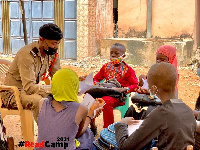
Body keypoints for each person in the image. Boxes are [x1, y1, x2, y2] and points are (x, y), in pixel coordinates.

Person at [114, 62, 196, 150]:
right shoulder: (187, 110)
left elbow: (126, 147)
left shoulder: (161, 113)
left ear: (154, 89)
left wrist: (122, 124)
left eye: (148, 84)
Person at [1, 23, 63, 123]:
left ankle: (63, 131)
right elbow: (29, 87)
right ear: (42, 39)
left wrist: (68, 86)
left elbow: (58, 76)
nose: (56, 47)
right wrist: (53, 89)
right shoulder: (26, 55)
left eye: (58, 44)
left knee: (62, 98)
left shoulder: (51, 53)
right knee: (39, 101)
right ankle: (47, 135)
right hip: (13, 93)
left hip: (29, 90)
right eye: (53, 43)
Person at [36, 68, 104, 150]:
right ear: (75, 86)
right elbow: (77, 134)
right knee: (87, 134)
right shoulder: (81, 108)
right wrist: (91, 114)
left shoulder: (42, 103)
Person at [93, 43, 138, 128]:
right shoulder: (106, 67)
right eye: (111, 53)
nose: (113, 55)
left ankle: (108, 129)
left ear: (123, 55)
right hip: (105, 92)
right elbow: (96, 78)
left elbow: (135, 85)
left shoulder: (128, 70)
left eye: (116, 53)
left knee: (106, 101)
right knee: (88, 98)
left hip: (118, 96)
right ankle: (91, 125)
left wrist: (124, 89)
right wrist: (98, 85)